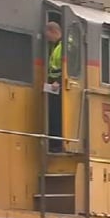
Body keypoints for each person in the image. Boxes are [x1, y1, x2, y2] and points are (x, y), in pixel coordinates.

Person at [44, 21, 63, 152]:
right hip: (53, 86)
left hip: (59, 88)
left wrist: (59, 81)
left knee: (56, 115)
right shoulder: (55, 46)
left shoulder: (63, 47)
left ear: (53, 32)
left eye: (48, 35)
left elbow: (66, 68)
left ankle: (57, 144)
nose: (47, 38)